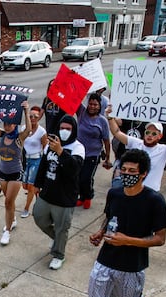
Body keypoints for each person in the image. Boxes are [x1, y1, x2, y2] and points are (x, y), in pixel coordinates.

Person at [73, 149, 166, 297]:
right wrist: (100, 232)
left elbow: (160, 239)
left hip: (132, 265)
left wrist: (128, 240)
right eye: (124, 169)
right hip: (105, 261)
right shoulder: (114, 193)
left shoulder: (154, 200)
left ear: (144, 173)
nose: (127, 174)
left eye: (132, 171)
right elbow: (110, 217)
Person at [33, 115, 85, 270]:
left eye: (68, 129)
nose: (64, 131)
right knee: (39, 217)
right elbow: (43, 164)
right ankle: (58, 239)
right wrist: (37, 184)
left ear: (74, 130)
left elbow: (74, 170)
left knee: (62, 227)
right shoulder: (51, 143)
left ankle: (58, 255)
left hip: (65, 197)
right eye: (62, 128)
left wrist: (61, 152)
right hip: (47, 193)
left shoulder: (78, 147)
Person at [105, 106, 166, 192]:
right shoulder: (136, 143)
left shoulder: (164, 150)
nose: (150, 135)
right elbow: (117, 133)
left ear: (160, 136)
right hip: (131, 191)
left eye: (154, 134)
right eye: (148, 132)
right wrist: (110, 117)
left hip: (150, 193)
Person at [0, 101, 31, 246]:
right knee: (10, 202)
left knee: (8, 202)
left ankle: (7, 231)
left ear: (15, 124)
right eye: (5, 123)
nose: (7, 126)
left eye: (10, 124)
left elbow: (28, 129)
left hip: (15, 173)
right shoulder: (1, 134)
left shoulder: (19, 138)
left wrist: (26, 111)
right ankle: (12, 219)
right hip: (2, 173)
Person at [75, 94, 112, 209]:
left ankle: (88, 196)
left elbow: (106, 140)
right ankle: (81, 197)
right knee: (77, 177)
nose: (92, 106)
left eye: (95, 104)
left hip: (93, 155)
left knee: (86, 178)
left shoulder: (102, 121)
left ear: (100, 106)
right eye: (90, 104)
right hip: (78, 153)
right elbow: (74, 98)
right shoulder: (81, 112)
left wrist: (108, 157)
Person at [20, 106, 48, 218]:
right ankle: (40, 198)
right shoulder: (23, 128)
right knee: (25, 185)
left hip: (37, 160)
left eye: (35, 116)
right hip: (26, 159)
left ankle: (26, 208)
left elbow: (45, 147)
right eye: (30, 116)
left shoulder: (42, 131)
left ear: (39, 118)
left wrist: (44, 164)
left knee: (31, 186)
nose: (32, 118)